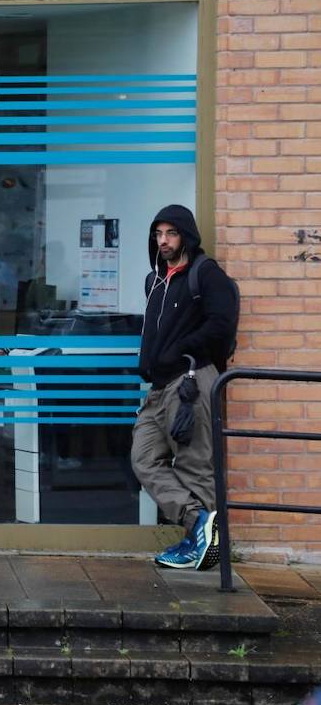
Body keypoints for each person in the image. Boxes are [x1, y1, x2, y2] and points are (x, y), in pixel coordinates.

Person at [132, 205, 239, 571]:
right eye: (158, 234)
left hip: (190, 381)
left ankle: (203, 548)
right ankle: (200, 526)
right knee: (144, 459)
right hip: (158, 388)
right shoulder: (155, 280)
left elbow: (222, 324)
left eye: (171, 233)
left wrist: (181, 350)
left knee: (195, 465)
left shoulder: (204, 274)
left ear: (186, 236)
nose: (163, 241)